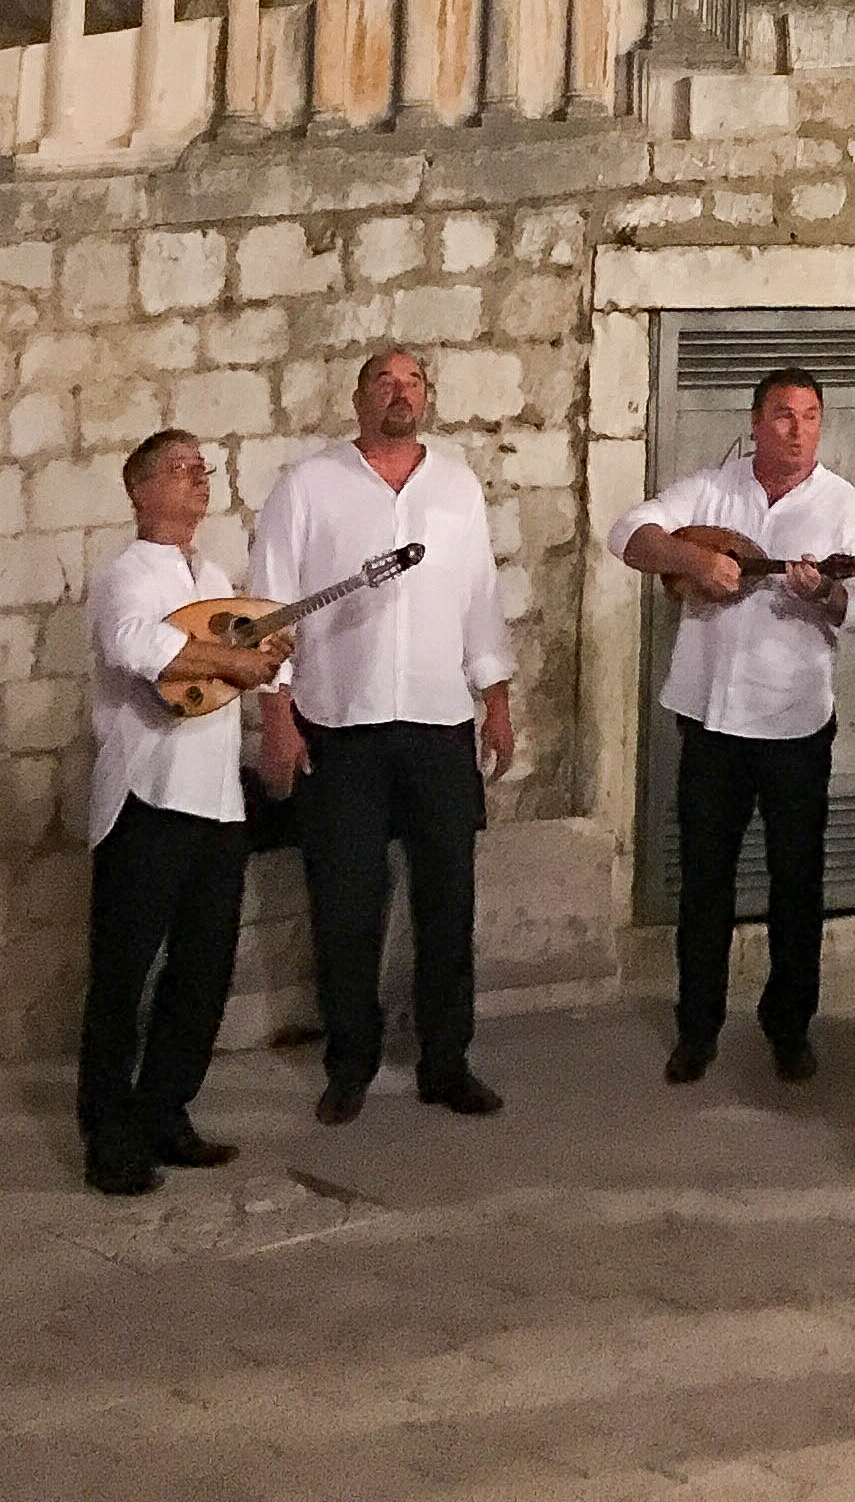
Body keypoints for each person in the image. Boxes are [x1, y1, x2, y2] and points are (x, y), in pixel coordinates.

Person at [252, 345, 516, 1128]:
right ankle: (350, 1063)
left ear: (427, 396)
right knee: (345, 904)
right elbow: (269, 607)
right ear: (357, 397)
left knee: (448, 899)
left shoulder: (457, 486)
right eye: (383, 382)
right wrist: (276, 714)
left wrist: (495, 699)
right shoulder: (307, 485)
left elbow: (480, 599)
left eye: (412, 383)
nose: (399, 395)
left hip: (439, 720)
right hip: (342, 724)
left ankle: (446, 1061)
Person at [611, 364, 855, 1089]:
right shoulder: (709, 488)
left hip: (796, 724)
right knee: (705, 880)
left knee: (797, 883)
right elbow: (627, 533)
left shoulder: (846, 508)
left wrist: (825, 592)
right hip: (708, 716)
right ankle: (696, 1027)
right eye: (784, 416)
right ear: (757, 422)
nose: (798, 431)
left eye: (812, 417)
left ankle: (789, 1026)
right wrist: (690, 556)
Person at [79, 428, 281, 1195]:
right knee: (124, 976)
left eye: (205, 468)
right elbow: (136, 645)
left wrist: (264, 657)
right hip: (147, 796)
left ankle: (166, 1111)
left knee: (202, 972)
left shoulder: (216, 574)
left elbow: (231, 669)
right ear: (139, 490)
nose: (200, 479)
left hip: (216, 800)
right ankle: (108, 1137)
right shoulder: (128, 573)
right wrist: (233, 658)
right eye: (182, 468)